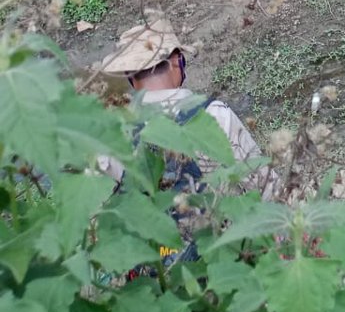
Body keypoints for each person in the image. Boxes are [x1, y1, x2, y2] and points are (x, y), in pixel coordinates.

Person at [96, 17, 277, 199]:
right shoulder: (213, 115)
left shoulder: (111, 134)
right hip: (216, 221)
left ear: (131, 77)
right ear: (177, 61)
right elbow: (262, 184)